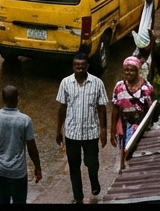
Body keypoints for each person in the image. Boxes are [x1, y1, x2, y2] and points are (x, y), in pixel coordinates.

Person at [55, 53, 108, 205]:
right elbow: (62, 108)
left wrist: (103, 131)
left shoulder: (97, 83)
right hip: (72, 133)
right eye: (77, 66)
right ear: (73, 66)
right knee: (74, 166)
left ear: (87, 66)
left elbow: (102, 108)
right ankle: (78, 196)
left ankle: (94, 181)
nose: (79, 68)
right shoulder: (65, 83)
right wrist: (58, 130)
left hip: (91, 132)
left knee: (92, 163)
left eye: (82, 66)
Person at [0, 85, 42, 205]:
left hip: (0, 170)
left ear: (2, 99)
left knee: (2, 200)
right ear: (17, 99)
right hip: (18, 172)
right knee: (19, 200)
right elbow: (32, 148)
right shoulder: (25, 120)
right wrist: (37, 168)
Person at [111, 57, 155, 170]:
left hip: (142, 126)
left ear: (138, 71)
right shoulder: (119, 87)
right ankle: (124, 171)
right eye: (126, 70)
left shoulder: (146, 88)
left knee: (140, 152)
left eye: (131, 70)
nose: (128, 73)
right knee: (125, 151)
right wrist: (112, 132)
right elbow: (115, 109)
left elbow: (152, 110)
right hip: (125, 126)